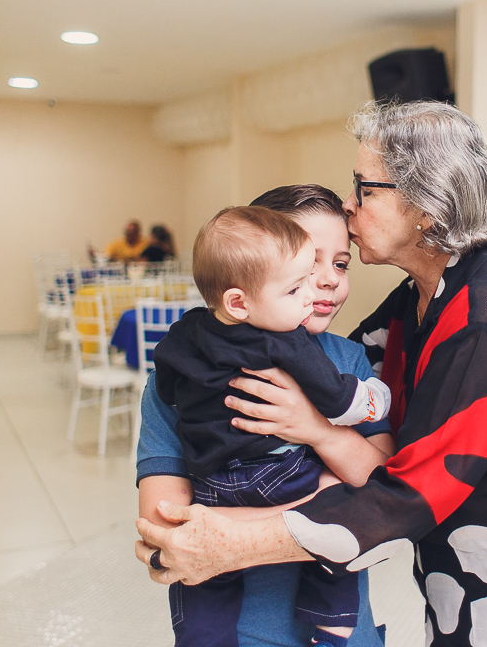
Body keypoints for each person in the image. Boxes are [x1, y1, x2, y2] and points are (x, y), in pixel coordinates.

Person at [136, 102, 487, 647]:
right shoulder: (418, 301)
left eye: (365, 189)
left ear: (426, 207)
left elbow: (408, 495)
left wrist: (229, 537)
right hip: (468, 576)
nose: (349, 204)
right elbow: (330, 362)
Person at [138, 191, 395, 647]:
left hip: (344, 635)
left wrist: (315, 428)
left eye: (341, 263)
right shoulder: (185, 375)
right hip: (239, 634)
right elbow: (170, 532)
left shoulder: (350, 361)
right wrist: (326, 507)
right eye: (310, 261)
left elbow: (388, 497)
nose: (328, 280)